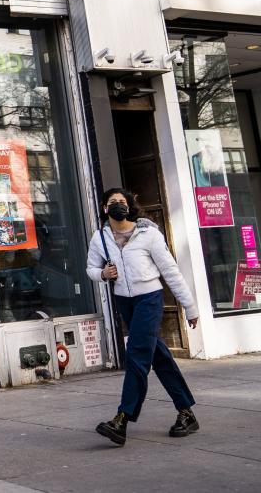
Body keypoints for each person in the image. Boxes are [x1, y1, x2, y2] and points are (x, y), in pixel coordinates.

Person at [86, 188, 200, 446]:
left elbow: (170, 271)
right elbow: (90, 268)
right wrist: (103, 274)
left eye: (122, 202)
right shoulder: (100, 238)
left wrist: (189, 307)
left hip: (149, 297)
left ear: (129, 206)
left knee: (137, 355)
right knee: (159, 357)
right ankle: (186, 412)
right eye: (112, 202)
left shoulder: (148, 234)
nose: (118, 205)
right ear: (105, 208)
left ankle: (122, 418)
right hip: (124, 300)